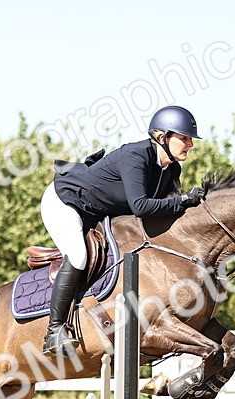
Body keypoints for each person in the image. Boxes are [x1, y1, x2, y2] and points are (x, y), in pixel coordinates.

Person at [40, 105, 207, 357]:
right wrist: (183, 200)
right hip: (65, 202)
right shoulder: (136, 156)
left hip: (97, 213)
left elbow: (165, 213)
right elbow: (140, 206)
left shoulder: (172, 169)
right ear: (161, 137)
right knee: (78, 255)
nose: (189, 144)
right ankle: (54, 331)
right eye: (183, 138)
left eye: (189, 139)